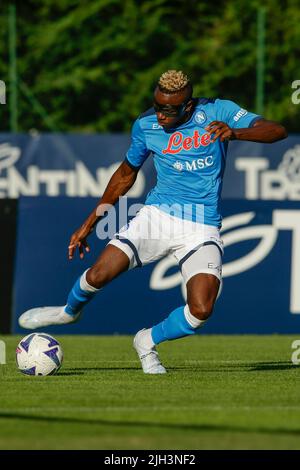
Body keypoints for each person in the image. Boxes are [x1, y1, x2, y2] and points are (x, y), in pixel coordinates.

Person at [19, 70, 287, 374]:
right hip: (156, 217)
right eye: (157, 105)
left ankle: (146, 340)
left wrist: (236, 132)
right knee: (98, 274)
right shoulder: (146, 125)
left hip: (201, 226)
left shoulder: (218, 110)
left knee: (201, 312)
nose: (160, 114)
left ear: (188, 106)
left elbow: (276, 130)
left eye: (168, 109)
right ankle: (69, 312)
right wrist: (91, 222)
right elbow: (125, 175)